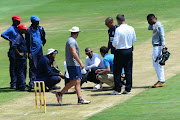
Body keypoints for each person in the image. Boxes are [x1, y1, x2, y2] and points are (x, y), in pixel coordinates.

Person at [56, 26, 90, 105]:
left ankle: (80, 98)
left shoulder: (71, 40)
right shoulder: (71, 41)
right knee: (73, 81)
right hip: (73, 64)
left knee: (78, 81)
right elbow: (74, 53)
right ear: (77, 33)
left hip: (74, 64)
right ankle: (60, 93)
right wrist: (80, 63)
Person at [111, 14, 136, 95]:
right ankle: (128, 88)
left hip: (120, 51)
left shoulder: (118, 29)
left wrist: (115, 46)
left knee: (117, 71)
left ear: (118, 21)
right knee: (128, 70)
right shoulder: (131, 28)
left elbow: (115, 42)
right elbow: (134, 39)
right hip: (129, 50)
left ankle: (118, 89)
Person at [1, 15, 22, 89]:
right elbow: (3, 34)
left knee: (18, 66)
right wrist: (10, 40)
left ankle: (18, 82)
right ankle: (13, 83)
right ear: (14, 21)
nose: (19, 21)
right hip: (13, 50)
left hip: (18, 49)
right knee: (13, 67)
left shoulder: (18, 28)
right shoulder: (11, 29)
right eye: (18, 20)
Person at [25, 15, 46, 89]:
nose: (38, 22)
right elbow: (27, 43)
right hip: (32, 51)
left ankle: (40, 81)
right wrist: (29, 53)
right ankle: (32, 82)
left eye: (38, 21)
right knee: (33, 66)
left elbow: (43, 36)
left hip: (39, 50)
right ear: (32, 22)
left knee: (40, 66)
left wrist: (42, 43)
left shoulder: (40, 28)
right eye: (36, 21)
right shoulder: (28, 31)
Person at [147, 14, 166, 88]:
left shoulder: (159, 25)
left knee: (157, 64)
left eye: (148, 21)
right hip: (157, 47)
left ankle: (161, 80)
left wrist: (163, 47)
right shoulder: (155, 25)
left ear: (151, 19)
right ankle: (161, 80)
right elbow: (149, 28)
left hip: (158, 47)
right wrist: (152, 22)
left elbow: (162, 36)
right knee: (158, 64)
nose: (148, 22)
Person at [11, 24, 28, 91]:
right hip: (20, 58)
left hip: (22, 57)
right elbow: (13, 46)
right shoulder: (18, 36)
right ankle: (22, 86)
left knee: (20, 71)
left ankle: (19, 85)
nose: (25, 30)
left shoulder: (20, 36)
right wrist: (19, 53)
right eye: (24, 29)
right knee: (22, 71)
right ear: (20, 30)